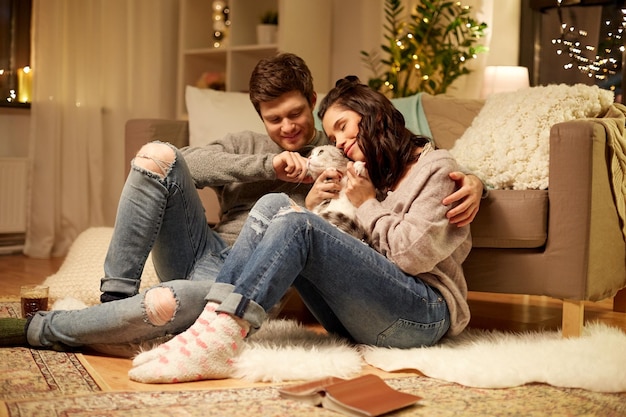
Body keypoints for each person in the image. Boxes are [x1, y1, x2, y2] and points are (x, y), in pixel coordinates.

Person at [0, 57, 480, 365]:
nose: (290, 127)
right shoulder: (260, 148)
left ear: (312, 106)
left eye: (298, 115)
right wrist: (267, 165)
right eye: (274, 119)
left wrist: (321, 201)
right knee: (159, 156)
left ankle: (59, 329)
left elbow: (384, 227)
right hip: (216, 257)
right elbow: (187, 164)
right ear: (259, 118)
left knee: (180, 294)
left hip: (256, 279)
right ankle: (118, 306)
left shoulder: (344, 163)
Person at [125, 75, 472, 383]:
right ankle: (210, 328)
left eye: (343, 126)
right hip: (362, 318)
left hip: (422, 316)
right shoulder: (375, 172)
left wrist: (368, 202)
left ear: (373, 114)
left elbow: (410, 257)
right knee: (275, 205)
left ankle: (218, 338)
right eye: (333, 135)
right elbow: (361, 250)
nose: (338, 142)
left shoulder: (437, 169)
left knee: (299, 225)